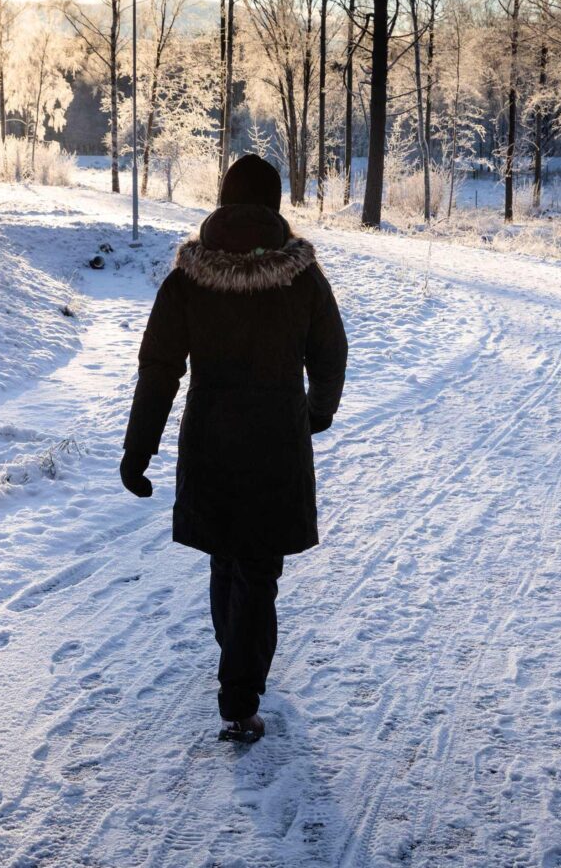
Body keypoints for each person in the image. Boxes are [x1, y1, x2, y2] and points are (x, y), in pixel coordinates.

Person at [120, 154, 348, 743]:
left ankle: (236, 671)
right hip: (276, 442)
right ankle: (240, 699)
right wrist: (317, 411)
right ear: (274, 206)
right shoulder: (303, 278)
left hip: (211, 443)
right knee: (256, 570)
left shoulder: (188, 277)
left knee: (227, 559)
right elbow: (330, 353)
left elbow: (159, 368)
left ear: (222, 202)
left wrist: (138, 452)